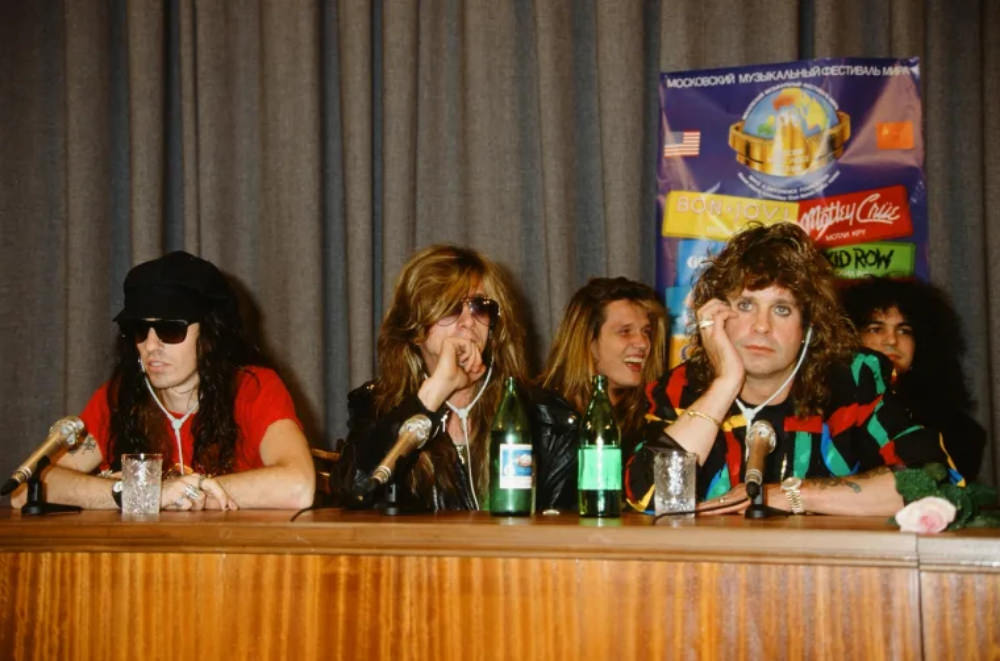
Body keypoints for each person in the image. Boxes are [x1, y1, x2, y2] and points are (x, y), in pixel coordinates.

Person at [625, 223, 959, 517]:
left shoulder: (853, 381)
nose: (761, 327)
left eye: (781, 309)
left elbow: (935, 480)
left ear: (808, 327)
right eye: (746, 305)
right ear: (717, 315)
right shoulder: (683, 387)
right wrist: (725, 383)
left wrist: (787, 495)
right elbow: (646, 494)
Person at [12, 251, 315, 511]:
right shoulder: (120, 399)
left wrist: (188, 493)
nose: (151, 346)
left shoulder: (252, 388)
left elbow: (298, 484)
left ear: (209, 336)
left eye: (170, 330)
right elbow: (25, 491)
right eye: (140, 331)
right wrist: (140, 494)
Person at [342, 245, 577, 512]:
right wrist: (431, 396)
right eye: (451, 308)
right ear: (414, 328)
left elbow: (565, 531)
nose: (468, 322)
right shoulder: (376, 407)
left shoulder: (546, 417)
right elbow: (356, 493)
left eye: (480, 307)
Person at [842, 277, 985, 480]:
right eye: (876, 329)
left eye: (904, 331)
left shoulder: (957, 427)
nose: (891, 340)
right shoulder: (829, 411)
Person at [538, 277, 669, 456]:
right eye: (625, 331)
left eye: (646, 332)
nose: (643, 343)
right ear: (587, 341)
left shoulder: (654, 416)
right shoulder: (539, 415)